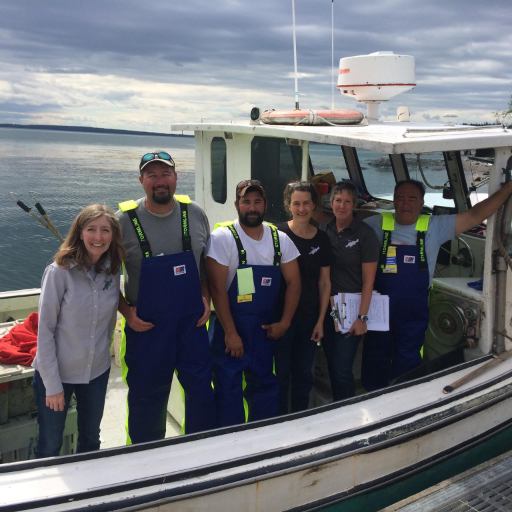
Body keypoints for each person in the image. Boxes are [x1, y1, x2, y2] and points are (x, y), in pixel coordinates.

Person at [362, 178, 512, 390]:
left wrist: (508, 187)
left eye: (412, 199)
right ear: (393, 201)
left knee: (409, 357)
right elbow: (346, 231)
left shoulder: (435, 226)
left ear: (421, 202)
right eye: (400, 198)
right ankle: (370, 398)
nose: (405, 204)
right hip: (379, 307)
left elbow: (476, 215)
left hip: (414, 309)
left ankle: (402, 398)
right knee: (375, 354)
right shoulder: (376, 223)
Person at [116, 151, 216, 444]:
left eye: (165, 174)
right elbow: (105, 279)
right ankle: (145, 458)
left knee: (200, 389)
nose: (160, 182)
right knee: (147, 394)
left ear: (175, 178)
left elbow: (203, 268)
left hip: (192, 323)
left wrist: (206, 299)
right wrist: (126, 313)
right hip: (146, 326)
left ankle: (197, 451)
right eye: (152, 175)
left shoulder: (195, 213)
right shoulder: (123, 220)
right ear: (141, 181)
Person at [32, 204, 125, 458]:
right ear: (80, 233)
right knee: (50, 442)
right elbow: (46, 331)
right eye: (91, 229)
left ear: (113, 235)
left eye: (105, 230)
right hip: (57, 373)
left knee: (90, 439)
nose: (98, 237)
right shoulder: (58, 273)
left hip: (96, 372)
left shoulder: (113, 271)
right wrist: (52, 385)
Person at [206, 180, 301, 427]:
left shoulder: (280, 240)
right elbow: (217, 289)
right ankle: (231, 446)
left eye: (257, 201)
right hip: (231, 329)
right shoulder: (222, 239)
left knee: (265, 387)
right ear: (237, 205)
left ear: (265, 205)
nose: (252, 207)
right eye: (246, 201)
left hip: (264, 332)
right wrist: (230, 333)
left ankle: (262, 442)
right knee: (228, 390)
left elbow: (294, 283)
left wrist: (284, 323)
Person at [274, 182, 333, 414]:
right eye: (296, 203)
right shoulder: (276, 234)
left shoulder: (322, 239)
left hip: (309, 318)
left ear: (314, 205)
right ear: (288, 206)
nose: (301, 208)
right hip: (280, 318)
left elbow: (324, 282)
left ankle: (299, 417)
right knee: (280, 372)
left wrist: (320, 321)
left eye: (306, 203)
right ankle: (277, 419)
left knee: (303, 373)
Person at [320, 181, 380, 401]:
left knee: (342, 368)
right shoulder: (323, 230)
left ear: (354, 205)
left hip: (352, 309)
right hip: (327, 309)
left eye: (347, 201)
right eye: (338, 200)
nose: (342, 206)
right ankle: (337, 405)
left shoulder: (365, 235)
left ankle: (346, 410)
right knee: (331, 362)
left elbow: (368, 280)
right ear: (331, 202)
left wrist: (362, 317)